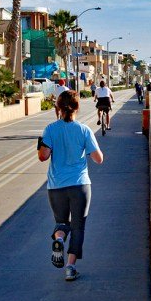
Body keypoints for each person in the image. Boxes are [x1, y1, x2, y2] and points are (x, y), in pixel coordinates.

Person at [38, 90, 104, 281]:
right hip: (80, 185)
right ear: (77, 107)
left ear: (58, 107)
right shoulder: (84, 130)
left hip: (56, 186)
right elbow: (98, 159)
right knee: (78, 226)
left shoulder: (50, 129)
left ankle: (59, 239)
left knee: (61, 222)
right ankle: (70, 267)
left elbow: (43, 156)